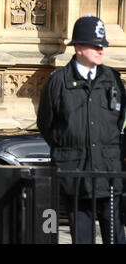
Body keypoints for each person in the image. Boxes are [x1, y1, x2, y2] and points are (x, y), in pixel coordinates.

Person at [37, 15, 126, 244]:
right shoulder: (58, 82)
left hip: (108, 175)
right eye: (95, 45)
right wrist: (69, 152)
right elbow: (47, 125)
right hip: (75, 176)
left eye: (102, 45)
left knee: (116, 237)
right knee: (82, 239)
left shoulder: (113, 80)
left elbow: (119, 121)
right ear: (78, 48)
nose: (101, 50)